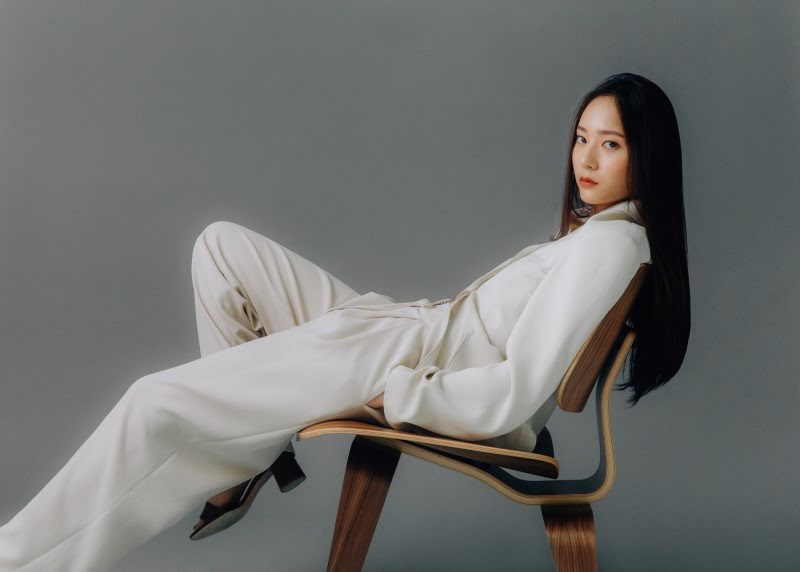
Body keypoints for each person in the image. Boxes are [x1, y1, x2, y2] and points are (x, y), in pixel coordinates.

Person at [0, 71, 690, 571]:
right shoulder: (605, 236)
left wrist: (407, 394)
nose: (585, 160)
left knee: (155, 401)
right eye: (581, 138)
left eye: (611, 145)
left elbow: (516, 393)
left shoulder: (611, 247)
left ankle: (16, 558)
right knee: (220, 247)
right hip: (400, 332)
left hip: (406, 362)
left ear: (648, 156)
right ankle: (243, 461)